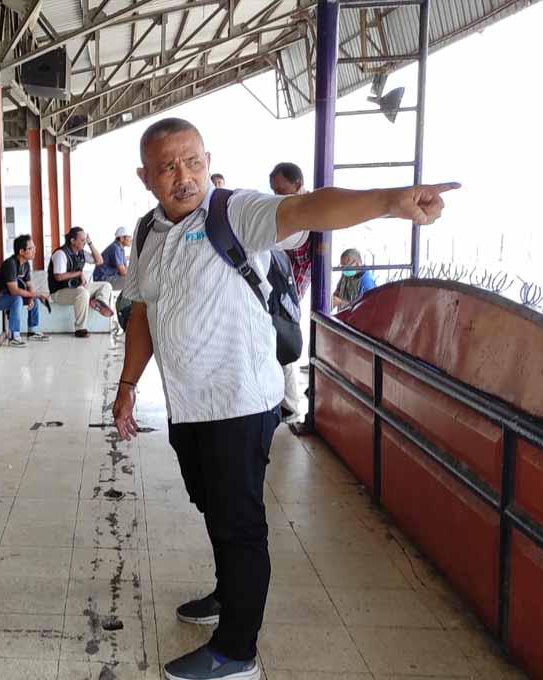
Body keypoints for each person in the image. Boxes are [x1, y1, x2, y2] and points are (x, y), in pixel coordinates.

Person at [114, 117, 457, 680]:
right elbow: (144, 313)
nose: (185, 176)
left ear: (207, 159)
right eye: (168, 167)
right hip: (187, 404)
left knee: (240, 521)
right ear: (145, 176)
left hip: (241, 403)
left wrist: (391, 201)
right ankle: (229, 593)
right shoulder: (148, 232)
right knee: (214, 507)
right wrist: (129, 386)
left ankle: (236, 651)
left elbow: (307, 209)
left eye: (193, 161)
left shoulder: (235, 212)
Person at [269, 162, 313, 423]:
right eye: (273, 191)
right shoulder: (294, 210)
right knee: (279, 344)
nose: (277, 197)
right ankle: (286, 402)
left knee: (283, 345)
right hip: (282, 288)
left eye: (281, 191)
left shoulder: (305, 212)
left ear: (298, 185)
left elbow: (275, 240)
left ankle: (291, 404)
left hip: (289, 291)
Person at [0, 233, 51, 346]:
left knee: (34, 300)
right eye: (31, 248)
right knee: (17, 299)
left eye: (34, 247)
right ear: (21, 252)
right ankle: (14, 336)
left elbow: (29, 285)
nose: (34, 250)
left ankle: (32, 331)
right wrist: (35, 294)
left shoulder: (26, 265)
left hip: (6, 297)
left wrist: (32, 297)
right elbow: (14, 291)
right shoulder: (10, 264)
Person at [48, 226, 115, 338]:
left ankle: (99, 302)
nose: (84, 242)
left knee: (106, 285)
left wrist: (90, 243)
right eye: (82, 240)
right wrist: (79, 273)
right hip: (59, 292)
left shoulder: (81, 253)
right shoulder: (61, 254)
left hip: (76, 289)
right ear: (73, 241)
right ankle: (80, 329)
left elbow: (99, 261)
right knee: (83, 293)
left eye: (85, 239)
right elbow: (58, 277)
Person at [93, 226, 132, 290]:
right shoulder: (115, 248)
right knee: (132, 281)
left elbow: (125, 268)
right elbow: (123, 272)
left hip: (110, 277)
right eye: (129, 237)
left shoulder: (120, 249)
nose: (131, 239)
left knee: (132, 280)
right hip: (103, 279)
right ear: (122, 238)